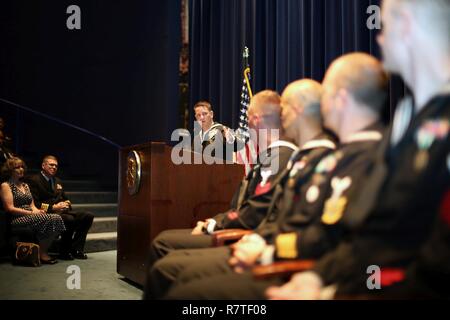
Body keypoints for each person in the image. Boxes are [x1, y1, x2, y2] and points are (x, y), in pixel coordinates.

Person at [162, 53, 388, 299]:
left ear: (341, 100)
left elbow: (333, 239)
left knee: (183, 287)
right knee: (178, 274)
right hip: (280, 253)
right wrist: (262, 240)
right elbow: (287, 218)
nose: (281, 117)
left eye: (327, 96)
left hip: (295, 269)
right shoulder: (333, 157)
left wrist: (268, 249)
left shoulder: (362, 160)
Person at [266, 0, 450, 300]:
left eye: (384, 25)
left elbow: (436, 267)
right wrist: (319, 277)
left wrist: (334, 294)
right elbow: (373, 234)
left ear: (405, 24)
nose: (378, 37)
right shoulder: (409, 122)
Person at [145, 79, 340, 299]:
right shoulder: (297, 157)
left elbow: (269, 214)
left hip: (271, 253)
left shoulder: (308, 159)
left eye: (284, 109)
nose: (281, 116)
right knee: (171, 263)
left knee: (177, 275)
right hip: (260, 241)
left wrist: (261, 246)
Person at [27, 155, 94, 260]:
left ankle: (76, 249)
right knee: (69, 219)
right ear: (43, 165)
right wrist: (53, 207)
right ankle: (64, 251)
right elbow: (35, 203)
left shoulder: (57, 180)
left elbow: (65, 198)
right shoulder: (34, 180)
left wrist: (67, 205)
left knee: (88, 216)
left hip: (61, 211)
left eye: (56, 166)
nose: (54, 167)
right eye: (51, 165)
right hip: (45, 212)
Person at [0, 157, 65, 264]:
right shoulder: (5, 185)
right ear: (10, 170)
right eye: (17, 167)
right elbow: (9, 208)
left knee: (56, 218)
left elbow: (32, 205)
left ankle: (41, 251)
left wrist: (39, 211)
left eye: (22, 167)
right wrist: (31, 213)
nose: (21, 169)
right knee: (54, 218)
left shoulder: (25, 185)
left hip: (31, 216)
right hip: (17, 219)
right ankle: (42, 253)